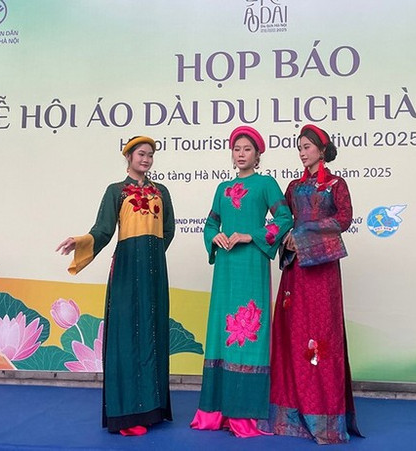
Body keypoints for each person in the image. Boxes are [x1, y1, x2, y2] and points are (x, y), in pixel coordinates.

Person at [56, 136, 174, 436]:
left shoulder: (162, 192)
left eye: (149, 155)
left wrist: (152, 256)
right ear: (129, 158)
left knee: (151, 331)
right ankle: (126, 414)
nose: (145, 160)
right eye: (140, 155)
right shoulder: (116, 192)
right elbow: (104, 230)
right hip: (125, 270)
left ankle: (152, 409)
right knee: (125, 334)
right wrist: (80, 241)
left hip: (154, 272)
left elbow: (168, 230)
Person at [191, 125, 293, 438]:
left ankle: (246, 414)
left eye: (247, 149)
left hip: (251, 264)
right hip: (225, 268)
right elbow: (209, 225)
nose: (241, 154)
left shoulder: (266, 184)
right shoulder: (222, 188)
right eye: (237, 148)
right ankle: (215, 411)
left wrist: (253, 235)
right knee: (222, 333)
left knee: (250, 334)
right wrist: (215, 236)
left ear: (258, 155)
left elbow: (285, 218)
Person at [268, 123, 361, 444]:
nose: (302, 151)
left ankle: (325, 419)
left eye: (307, 146)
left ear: (322, 150)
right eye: (300, 146)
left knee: (322, 338)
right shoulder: (293, 187)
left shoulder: (336, 185)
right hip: (295, 272)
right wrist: (285, 239)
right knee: (292, 335)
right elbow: (284, 222)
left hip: (322, 270)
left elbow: (344, 219)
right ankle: (290, 416)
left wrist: (302, 235)